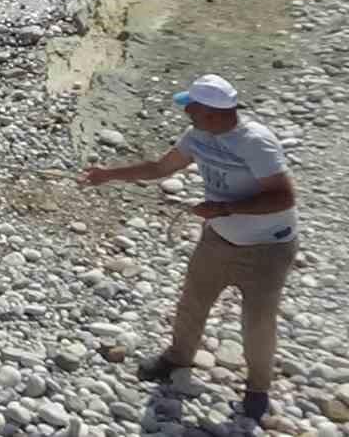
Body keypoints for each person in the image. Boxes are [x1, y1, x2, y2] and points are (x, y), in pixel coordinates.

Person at [80, 75, 298, 422]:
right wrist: (107, 174)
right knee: (192, 301)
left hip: (267, 248)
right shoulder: (198, 136)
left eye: (190, 106)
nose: (185, 111)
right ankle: (178, 358)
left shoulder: (257, 142)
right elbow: (159, 167)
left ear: (211, 111)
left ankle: (258, 388)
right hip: (217, 238)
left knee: (257, 321)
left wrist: (224, 208)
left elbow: (284, 197)